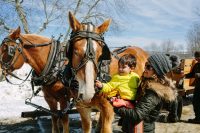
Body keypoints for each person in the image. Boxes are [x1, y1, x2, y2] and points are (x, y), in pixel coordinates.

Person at [113, 54, 177, 133]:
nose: (145, 68)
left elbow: (137, 115)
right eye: (146, 65)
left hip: (141, 129)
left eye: (149, 67)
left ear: (157, 71)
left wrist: (116, 106)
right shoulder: (145, 84)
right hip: (133, 128)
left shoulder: (154, 92)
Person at [184, 51, 200, 124]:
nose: (197, 59)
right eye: (196, 57)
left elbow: (197, 75)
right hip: (198, 86)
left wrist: (198, 75)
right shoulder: (196, 65)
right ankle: (198, 118)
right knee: (195, 102)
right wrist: (184, 76)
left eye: (198, 57)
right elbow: (192, 74)